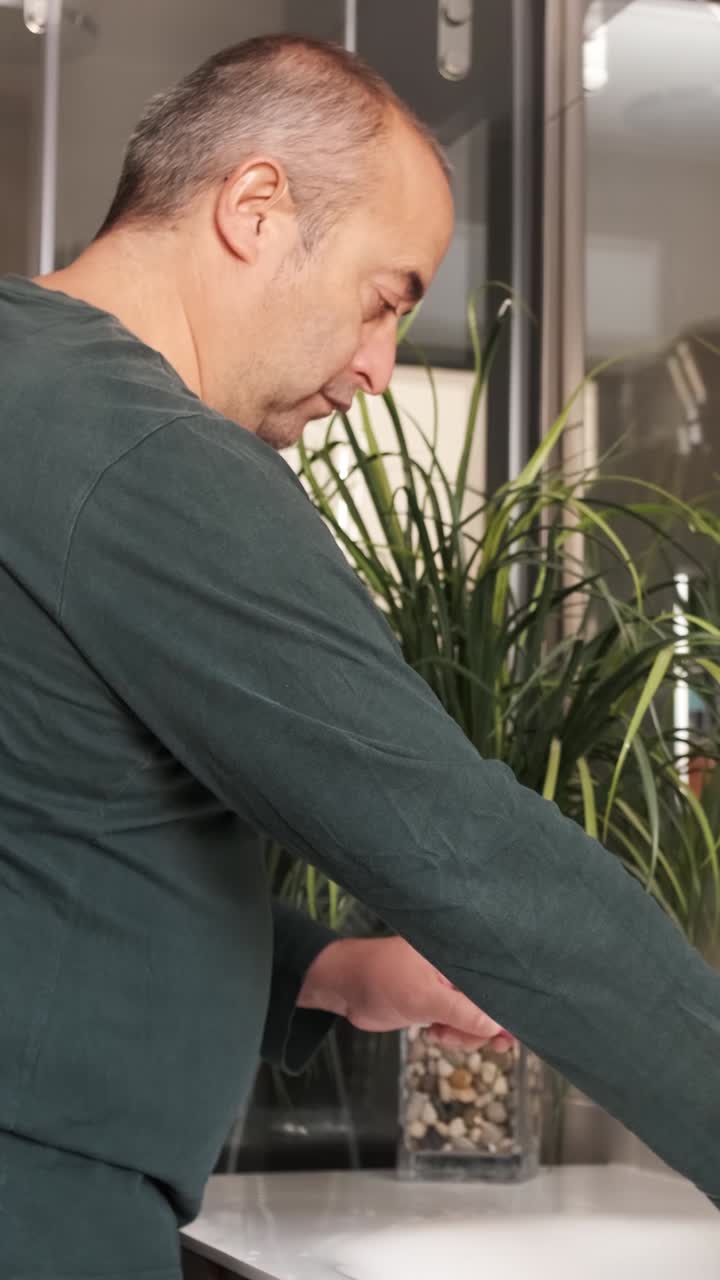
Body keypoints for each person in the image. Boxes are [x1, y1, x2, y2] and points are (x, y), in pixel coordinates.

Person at [0, 32, 717, 1280]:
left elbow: (42, 815)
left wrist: (322, 968)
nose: (381, 368)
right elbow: (470, 859)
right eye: (386, 298)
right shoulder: (143, 454)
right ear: (256, 207)